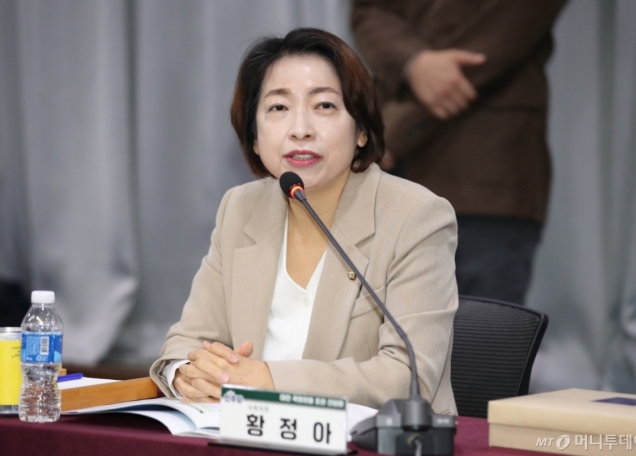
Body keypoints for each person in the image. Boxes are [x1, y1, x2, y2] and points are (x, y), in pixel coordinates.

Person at [149, 28, 458, 413]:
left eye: (324, 106)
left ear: (361, 130)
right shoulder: (240, 207)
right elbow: (187, 342)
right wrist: (187, 373)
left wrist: (268, 381)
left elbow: (409, 376)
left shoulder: (415, 215)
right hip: (248, 432)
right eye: (278, 108)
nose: (300, 130)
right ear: (255, 138)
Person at [351, 1, 567, 305]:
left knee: (483, 325)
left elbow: (498, 33)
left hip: (485, 170)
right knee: (384, 321)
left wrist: (388, 132)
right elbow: (369, 10)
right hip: (391, 178)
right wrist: (413, 61)